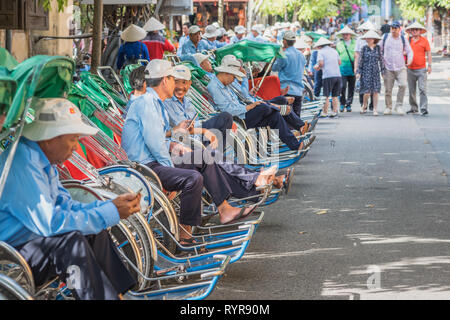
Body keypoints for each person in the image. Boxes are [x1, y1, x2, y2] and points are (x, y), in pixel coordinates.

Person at [0, 98, 141, 300]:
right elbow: (50, 223)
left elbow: (65, 205)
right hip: (11, 255)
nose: (76, 147)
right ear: (50, 138)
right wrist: (110, 211)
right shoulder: (23, 162)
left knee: (95, 231)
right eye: (73, 139)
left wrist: (109, 207)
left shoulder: (42, 160)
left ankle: (116, 295)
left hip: (34, 240)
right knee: (70, 243)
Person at [121, 60, 273, 240]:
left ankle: (225, 208)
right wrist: (171, 165)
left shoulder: (155, 102)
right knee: (193, 178)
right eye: (173, 79)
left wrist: (175, 146)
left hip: (155, 160)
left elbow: (158, 138)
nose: (176, 84)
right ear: (165, 80)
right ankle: (184, 234)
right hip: (146, 168)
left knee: (208, 157)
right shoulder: (147, 103)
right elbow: (155, 145)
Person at [207, 56, 304, 151]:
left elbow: (240, 100)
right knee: (263, 107)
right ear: (226, 73)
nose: (234, 80)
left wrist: (250, 105)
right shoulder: (214, 87)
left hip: (243, 113)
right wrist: (248, 107)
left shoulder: (226, 84)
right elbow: (227, 110)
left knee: (274, 116)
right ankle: (277, 108)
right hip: (238, 119)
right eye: (233, 77)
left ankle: (295, 145)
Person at [272, 31, 308, 118]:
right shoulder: (301, 55)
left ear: (284, 41)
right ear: (294, 42)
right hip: (298, 90)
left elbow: (274, 68)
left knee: (286, 119)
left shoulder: (284, 55)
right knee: (296, 118)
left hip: (286, 90)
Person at [381, 21, 414, 115]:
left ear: (399, 29)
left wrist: (410, 60)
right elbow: (379, 49)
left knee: (403, 85)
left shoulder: (403, 39)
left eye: (395, 28)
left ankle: (399, 106)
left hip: (400, 67)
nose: (393, 30)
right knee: (388, 89)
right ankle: (388, 107)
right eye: (392, 28)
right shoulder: (385, 37)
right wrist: (381, 63)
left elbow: (409, 51)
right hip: (388, 67)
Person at [405, 22, 432, 116]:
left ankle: (423, 108)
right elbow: (404, 52)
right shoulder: (408, 40)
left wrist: (430, 66)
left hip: (421, 69)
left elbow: (428, 53)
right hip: (410, 68)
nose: (414, 31)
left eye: (416, 29)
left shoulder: (424, 41)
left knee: (422, 89)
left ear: (420, 31)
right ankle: (413, 108)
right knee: (411, 90)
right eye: (412, 30)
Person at [356, 30, 385, 115]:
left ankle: (375, 109)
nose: (367, 39)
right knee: (367, 92)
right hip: (366, 72)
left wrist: (383, 72)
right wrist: (358, 72)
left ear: (374, 39)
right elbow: (360, 61)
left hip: (375, 72)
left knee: (376, 91)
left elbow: (381, 60)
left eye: (369, 38)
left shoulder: (378, 48)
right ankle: (364, 105)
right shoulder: (364, 48)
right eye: (366, 38)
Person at [314, 37, 342, 117]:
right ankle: (334, 112)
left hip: (327, 75)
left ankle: (325, 112)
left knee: (325, 95)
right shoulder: (334, 51)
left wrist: (317, 67)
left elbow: (321, 63)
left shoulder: (321, 52)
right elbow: (339, 62)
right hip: (337, 75)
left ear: (320, 46)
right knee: (335, 95)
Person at [354, 20, 376, 111]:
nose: (366, 32)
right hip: (362, 65)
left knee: (372, 85)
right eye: (365, 30)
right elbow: (356, 54)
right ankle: (362, 104)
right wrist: (356, 67)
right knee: (362, 85)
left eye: (368, 30)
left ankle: (371, 104)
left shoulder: (375, 40)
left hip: (372, 66)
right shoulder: (359, 40)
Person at [336, 26, 357, 112]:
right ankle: (342, 103)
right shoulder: (339, 44)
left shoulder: (355, 43)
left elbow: (357, 55)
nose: (345, 36)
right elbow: (336, 56)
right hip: (342, 69)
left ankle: (349, 104)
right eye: (344, 34)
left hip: (353, 69)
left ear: (350, 35)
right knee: (342, 87)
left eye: (347, 34)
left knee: (351, 88)